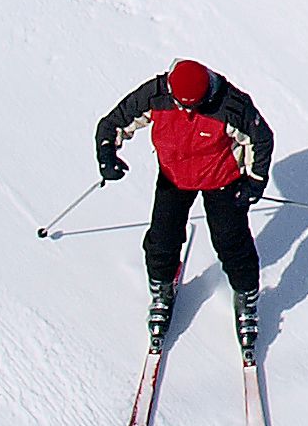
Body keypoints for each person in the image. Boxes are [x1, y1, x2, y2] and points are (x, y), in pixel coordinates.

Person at [95, 59, 277, 359]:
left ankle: (246, 295)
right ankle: (162, 288)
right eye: (183, 105)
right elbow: (114, 121)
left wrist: (255, 182)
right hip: (174, 177)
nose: (189, 111)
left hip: (222, 180)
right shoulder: (157, 94)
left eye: (196, 104)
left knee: (231, 242)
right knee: (162, 238)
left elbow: (261, 139)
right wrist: (107, 152)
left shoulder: (230, 104)